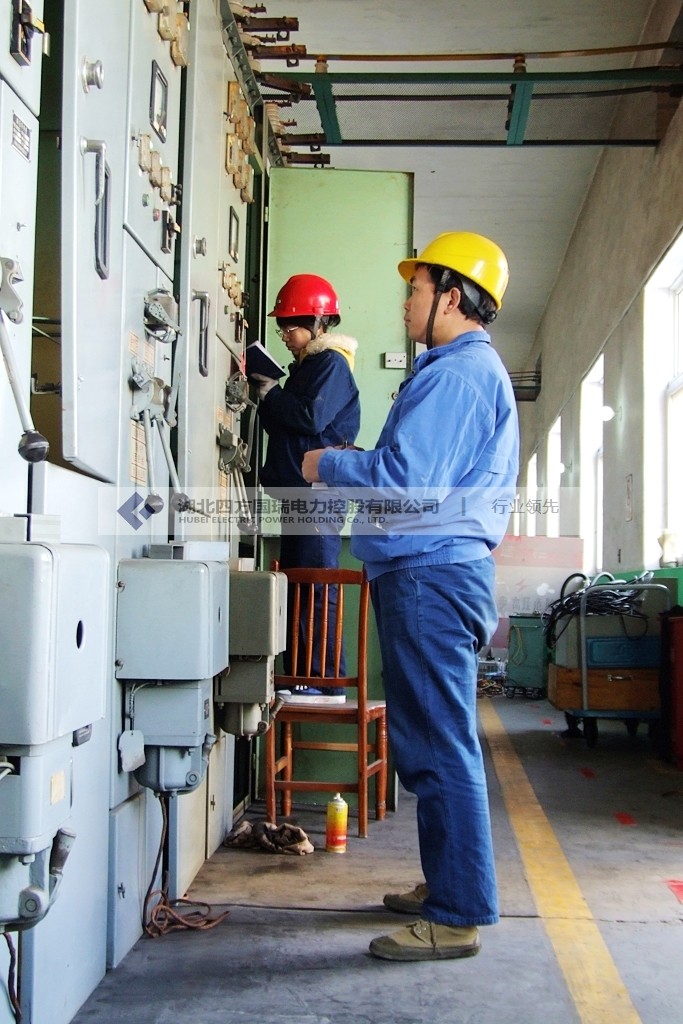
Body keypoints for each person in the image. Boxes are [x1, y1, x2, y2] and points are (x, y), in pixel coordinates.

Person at [301, 232, 519, 959]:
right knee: (431, 738)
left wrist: (326, 464)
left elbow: (406, 481)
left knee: (437, 745)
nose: (405, 303)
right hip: (427, 572)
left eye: (415, 289)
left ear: (450, 297)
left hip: (430, 574)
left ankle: (456, 915)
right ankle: (447, 887)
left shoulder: (458, 376)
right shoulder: (455, 371)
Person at [252, 273, 361, 696]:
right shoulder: (308, 367)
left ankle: (325, 681)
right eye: (282, 326)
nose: (285, 335)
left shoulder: (330, 364)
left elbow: (310, 417)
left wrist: (271, 393)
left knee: (316, 585)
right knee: (299, 586)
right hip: (301, 496)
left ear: (317, 323)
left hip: (318, 497)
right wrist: (267, 394)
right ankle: (303, 677)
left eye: (291, 326)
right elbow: (287, 423)